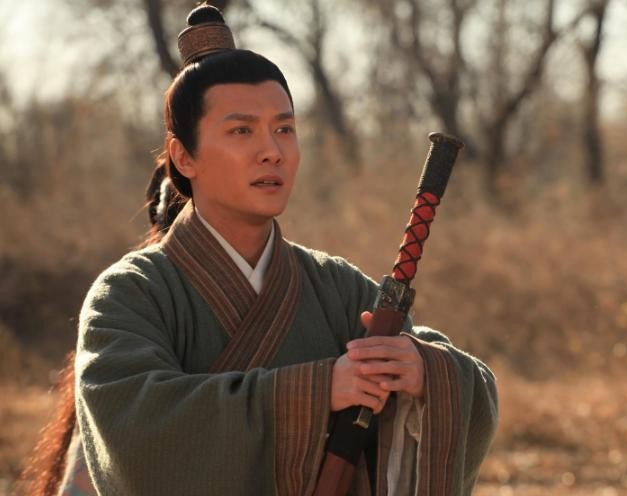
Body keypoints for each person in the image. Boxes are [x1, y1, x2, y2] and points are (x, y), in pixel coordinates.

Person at [25, 4, 497, 495]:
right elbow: (136, 432)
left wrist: (423, 373)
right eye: (242, 130)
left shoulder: (337, 288)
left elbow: (454, 378)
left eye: (284, 129)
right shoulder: (129, 295)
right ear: (183, 156)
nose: (272, 150)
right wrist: (317, 391)